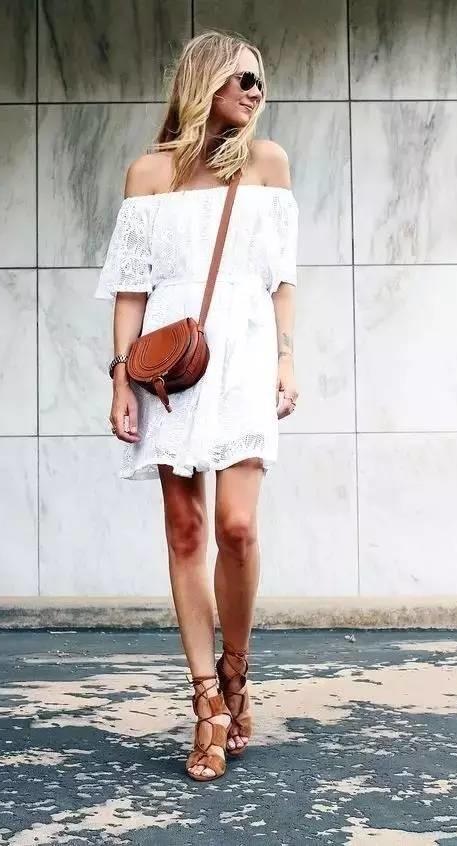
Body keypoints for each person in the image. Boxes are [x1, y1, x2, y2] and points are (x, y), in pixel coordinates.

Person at [95, 30, 299, 782]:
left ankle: (237, 667)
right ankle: (207, 699)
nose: (255, 91)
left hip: (243, 357)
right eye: (243, 78)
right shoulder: (148, 174)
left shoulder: (267, 163)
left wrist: (286, 359)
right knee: (185, 530)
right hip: (174, 366)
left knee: (236, 528)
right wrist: (121, 378)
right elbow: (130, 288)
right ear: (204, 81)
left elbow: (282, 277)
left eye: (260, 80)